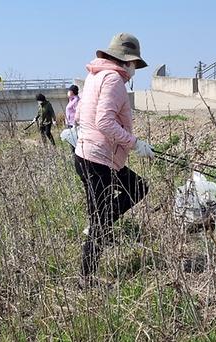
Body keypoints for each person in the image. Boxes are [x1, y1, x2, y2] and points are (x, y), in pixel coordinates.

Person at [73, 32, 154, 285]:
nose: (134, 70)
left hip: (88, 155)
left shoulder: (94, 75)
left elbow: (80, 118)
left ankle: (101, 225)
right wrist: (135, 143)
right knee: (105, 215)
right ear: (127, 61)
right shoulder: (113, 81)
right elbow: (104, 122)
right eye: (134, 64)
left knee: (136, 187)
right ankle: (86, 278)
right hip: (99, 160)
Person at [64, 85, 80, 152]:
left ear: (72, 92)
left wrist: (75, 123)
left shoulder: (76, 100)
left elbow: (77, 111)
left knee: (74, 142)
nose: (68, 92)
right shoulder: (71, 100)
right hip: (69, 123)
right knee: (71, 141)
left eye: (69, 91)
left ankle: (76, 155)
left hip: (73, 124)